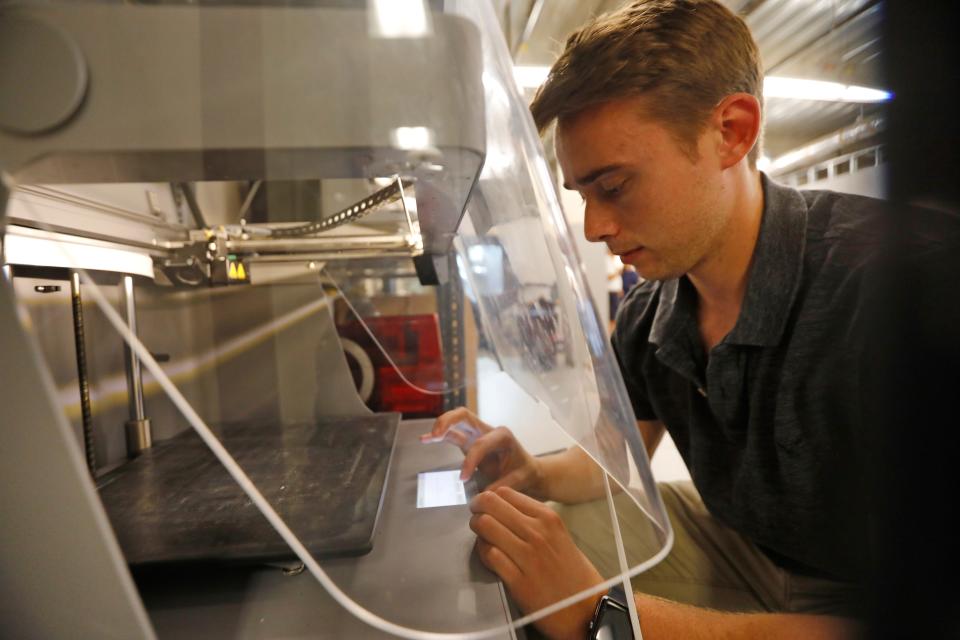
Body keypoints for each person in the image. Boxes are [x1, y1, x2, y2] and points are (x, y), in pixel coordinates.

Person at [424, 0, 913, 637]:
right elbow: (617, 460)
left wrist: (597, 613)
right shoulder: (650, 312)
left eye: (616, 186)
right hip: (745, 547)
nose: (595, 227)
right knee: (522, 553)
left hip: (867, 595)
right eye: (584, 196)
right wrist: (535, 472)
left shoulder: (886, 295)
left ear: (731, 133)